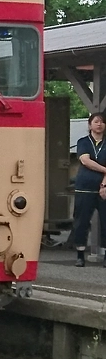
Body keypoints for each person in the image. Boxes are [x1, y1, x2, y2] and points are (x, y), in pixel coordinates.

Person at [69, 112, 106, 267]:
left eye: (102, 122)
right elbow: (86, 161)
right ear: (90, 124)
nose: (99, 124)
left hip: (103, 188)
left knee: (105, 221)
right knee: (81, 221)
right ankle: (80, 255)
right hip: (84, 187)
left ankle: (104, 255)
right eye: (96, 121)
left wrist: (104, 184)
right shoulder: (83, 141)